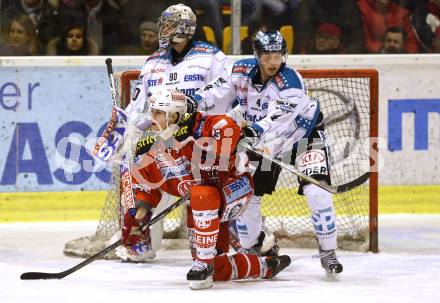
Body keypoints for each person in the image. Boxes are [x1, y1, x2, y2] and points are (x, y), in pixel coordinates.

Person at [191, 30, 343, 274]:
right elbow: (215, 92)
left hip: (304, 136)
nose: (274, 62)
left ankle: (328, 252)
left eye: (278, 55)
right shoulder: (240, 71)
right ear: (257, 55)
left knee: (318, 192)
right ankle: (253, 249)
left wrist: (253, 130)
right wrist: (191, 103)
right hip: (263, 141)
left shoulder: (291, 81)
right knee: (247, 197)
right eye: (267, 56)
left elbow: (279, 118)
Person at [116, 88, 291, 289]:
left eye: (157, 113)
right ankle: (265, 266)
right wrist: (139, 214)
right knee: (219, 269)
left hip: (233, 188)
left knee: (202, 194)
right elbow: (146, 183)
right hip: (201, 204)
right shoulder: (154, 146)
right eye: (152, 112)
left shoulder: (201, 126)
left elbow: (225, 127)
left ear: (173, 115)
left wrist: (225, 141)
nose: (151, 118)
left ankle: (203, 263)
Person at [95, 3, 229, 262]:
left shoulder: (211, 56)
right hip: (162, 140)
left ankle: (243, 239)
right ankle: (139, 240)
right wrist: (129, 131)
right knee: (132, 166)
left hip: (199, 140)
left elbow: (227, 91)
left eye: (169, 24)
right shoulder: (153, 62)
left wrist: (195, 102)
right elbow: (140, 105)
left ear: (185, 29)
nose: (163, 30)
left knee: (213, 192)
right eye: (163, 24)